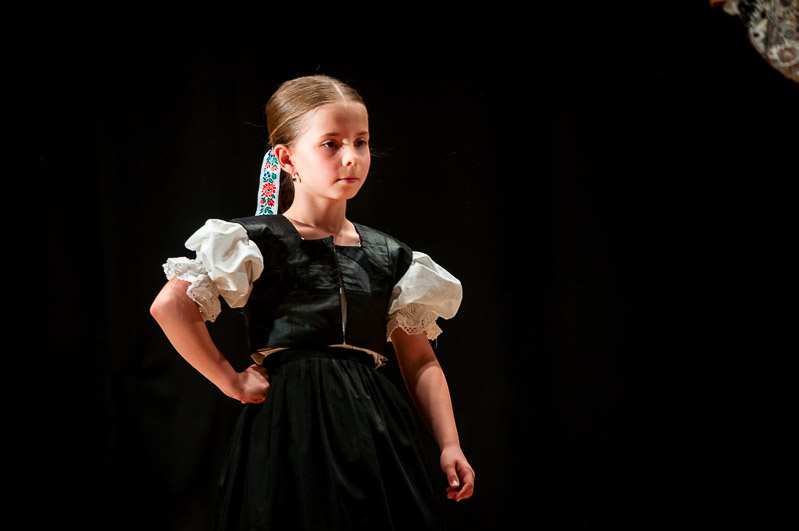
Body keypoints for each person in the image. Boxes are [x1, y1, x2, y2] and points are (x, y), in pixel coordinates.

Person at [150, 74, 474, 530]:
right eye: (331, 144)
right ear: (287, 159)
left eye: (361, 142)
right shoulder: (257, 240)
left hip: (371, 424)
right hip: (290, 422)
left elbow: (419, 359)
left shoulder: (390, 255)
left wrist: (449, 444)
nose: (351, 157)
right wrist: (231, 381)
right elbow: (171, 305)